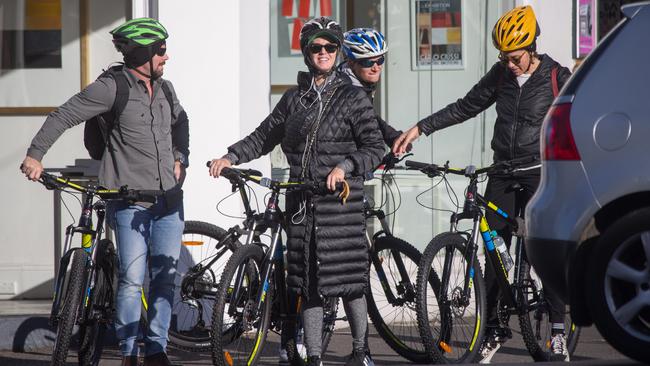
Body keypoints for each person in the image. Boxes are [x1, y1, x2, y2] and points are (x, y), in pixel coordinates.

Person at [392, 6, 572, 363]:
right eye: (504, 57)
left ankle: (556, 331)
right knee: (493, 251)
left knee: (546, 246)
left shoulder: (557, 76)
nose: (509, 63)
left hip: (540, 171)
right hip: (503, 170)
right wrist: (420, 128)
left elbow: (580, 116)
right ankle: (492, 330)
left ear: (532, 47)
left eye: (515, 57)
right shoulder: (501, 76)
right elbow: (465, 106)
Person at [209, 17, 384, 366]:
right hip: (302, 203)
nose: (324, 53)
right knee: (310, 284)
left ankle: (361, 352)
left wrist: (344, 166)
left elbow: (374, 147)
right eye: (317, 47)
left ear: (338, 52)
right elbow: (263, 135)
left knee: (349, 281)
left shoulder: (353, 97)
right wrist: (229, 156)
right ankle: (315, 358)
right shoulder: (294, 99)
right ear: (307, 53)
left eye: (330, 47)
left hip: (340, 203)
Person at [20, 18, 189, 366]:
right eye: (160, 50)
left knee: (165, 280)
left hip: (169, 201)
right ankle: (128, 353)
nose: (166, 56)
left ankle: (156, 349)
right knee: (130, 280)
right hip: (129, 202)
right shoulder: (110, 88)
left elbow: (181, 121)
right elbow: (63, 115)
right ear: (142, 52)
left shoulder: (167, 89)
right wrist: (35, 155)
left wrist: (180, 158)